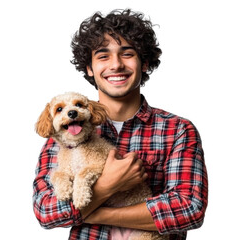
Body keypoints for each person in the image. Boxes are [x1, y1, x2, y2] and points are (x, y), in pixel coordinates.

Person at [33, 9, 208, 240]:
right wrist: (108, 185)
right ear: (89, 68)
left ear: (144, 63)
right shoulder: (65, 132)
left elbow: (188, 209)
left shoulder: (178, 130)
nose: (115, 65)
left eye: (127, 54)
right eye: (103, 56)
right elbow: (46, 211)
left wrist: (91, 212)